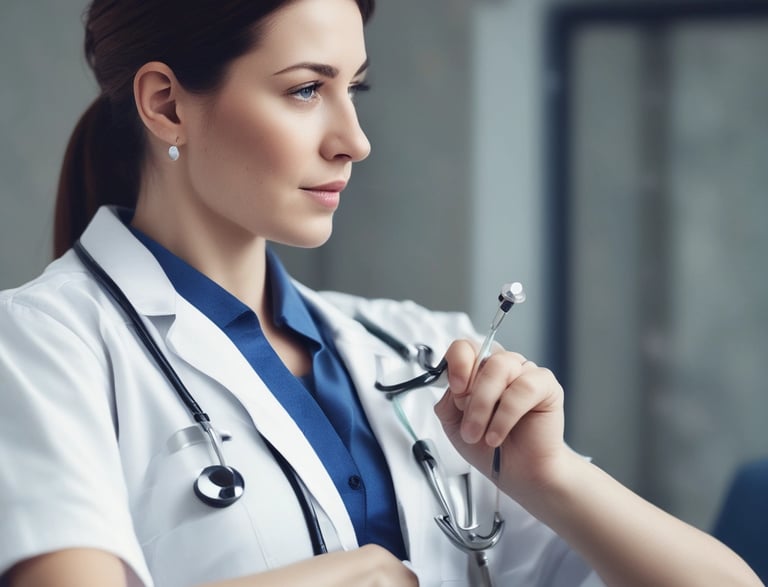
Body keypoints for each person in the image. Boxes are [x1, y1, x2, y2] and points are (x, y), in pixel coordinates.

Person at [0, 1, 761, 586]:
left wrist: (550, 475)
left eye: (353, 88)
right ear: (167, 103)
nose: (354, 139)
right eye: (305, 90)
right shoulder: (42, 345)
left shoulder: (420, 345)